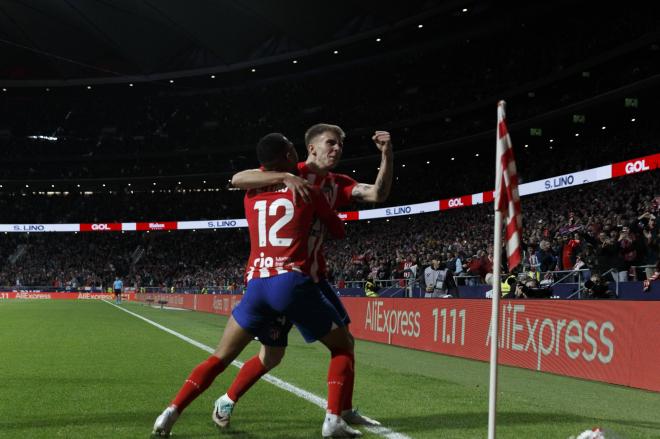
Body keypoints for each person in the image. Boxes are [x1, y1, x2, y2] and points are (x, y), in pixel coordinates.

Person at [152, 133, 361, 438]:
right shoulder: (308, 189)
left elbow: (239, 178)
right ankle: (333, 419)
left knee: (227, 357)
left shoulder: (251, 193)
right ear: (290, 153)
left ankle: (171, 411)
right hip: (292, 283)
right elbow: (339, 231)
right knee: (342, 346)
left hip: (257, 285)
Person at [222, 123, 393, 427]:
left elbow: (378, 194)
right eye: (331, 143)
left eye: (341, 144)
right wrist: (284, 176)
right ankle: (227, 399)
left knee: (345, 341)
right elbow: (238, 179)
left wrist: (387, 155)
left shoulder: (337, 183)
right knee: (271, 356)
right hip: (286, 276)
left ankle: (343, 409)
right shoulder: (292, 170)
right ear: (311, 147)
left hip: (314, 277)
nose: (337, 149)